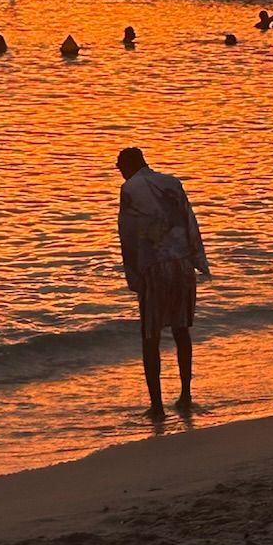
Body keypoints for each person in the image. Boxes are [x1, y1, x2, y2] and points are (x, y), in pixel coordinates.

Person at [115, 147, 209, 417]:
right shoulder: (172, 182)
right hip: (181, 263)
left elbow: (128, 233)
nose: (120, 174)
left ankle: (157, 406)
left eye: (120, 168)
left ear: (127, 166)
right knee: (181, 330)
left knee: (150, 336)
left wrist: (134, 276)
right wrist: (198, 259)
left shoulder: (129, 189)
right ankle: (185, 396)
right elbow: (190, 220)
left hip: (154, 266)